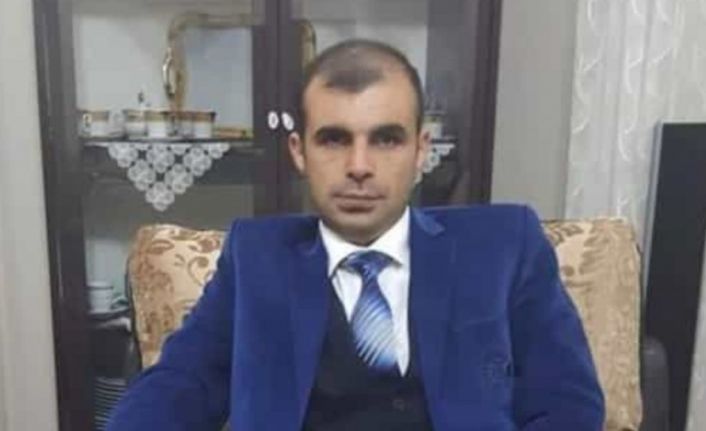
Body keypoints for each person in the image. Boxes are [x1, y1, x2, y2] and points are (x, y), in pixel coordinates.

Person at [108, 39, 604, 430]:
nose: (359, 166)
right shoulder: (256, 257)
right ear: (299, 151)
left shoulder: (504, 245)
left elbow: (568, 403)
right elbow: (179, 386)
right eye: (334, 139)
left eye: (386, 139)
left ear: (421, 150)